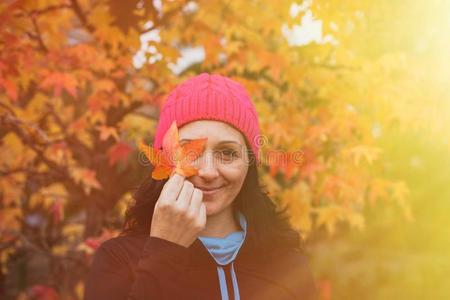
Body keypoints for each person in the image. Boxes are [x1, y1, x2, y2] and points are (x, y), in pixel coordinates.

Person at [83, 73, 318, 300]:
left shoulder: (288, 266)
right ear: (164, 158)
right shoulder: (119, 259)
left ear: (249, 165)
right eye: (189, 152)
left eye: (227, 153)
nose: (207, 172)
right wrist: (165, 251)